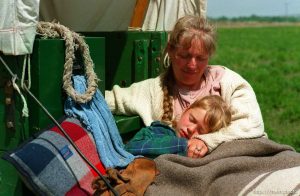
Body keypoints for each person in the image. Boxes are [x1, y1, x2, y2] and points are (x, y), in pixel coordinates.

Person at [105, 15, 266, 158]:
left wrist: (205, 141)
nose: (192, 65)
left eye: (201, 58)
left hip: (233, 159)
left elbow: (252, 124)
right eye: (185, 56)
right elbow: (109, 99)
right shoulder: (153, 90)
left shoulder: (228, 83)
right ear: (170, 50)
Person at [124, 95, 232, 158]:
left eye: (200, 131)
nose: (191, 129)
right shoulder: (158, 130)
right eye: (191, 119)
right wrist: (183, 145)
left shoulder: (199, 152)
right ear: (185, 110)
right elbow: (131, 148)